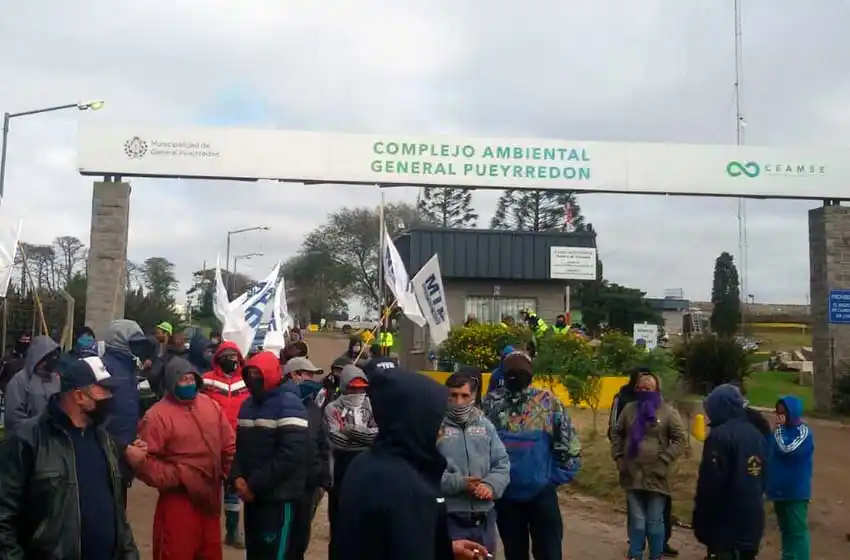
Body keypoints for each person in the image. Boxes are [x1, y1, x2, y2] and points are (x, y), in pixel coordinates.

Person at [332, 363, 488, 560]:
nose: (442, 429)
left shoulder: (366, 463)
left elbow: (384, 542)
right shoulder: (407, 487)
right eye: (436, 419)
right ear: (416, 420)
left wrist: (444, 549)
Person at [0, 355, 139, 559]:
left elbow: (117, 512)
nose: (110, 397)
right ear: (79, 396)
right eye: (104, 390)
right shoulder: (27, 440)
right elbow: (4, 516)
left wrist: (129, 553)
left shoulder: (104, 439)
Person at [129, 357, 235, 560]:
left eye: (191, 379)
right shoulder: (157, 416)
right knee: (175, 552)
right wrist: (179, 476)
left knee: (211, 553)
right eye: (183, 380)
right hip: (178, 500)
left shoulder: (210, 405)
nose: (188, 383)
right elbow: (144, 461)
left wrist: (232, 474)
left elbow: (228, 444)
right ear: (171, 383)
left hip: (210, 499)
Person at [482, 350, 581, 560]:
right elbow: (480, 447)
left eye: (521, 371)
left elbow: (569, 446)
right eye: (511, 371)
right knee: (514, 554)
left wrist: (550, 480)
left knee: (549, 553)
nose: (516, 376)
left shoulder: (548, 403)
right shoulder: (490, 404)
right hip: (506, 497)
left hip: (541, 496)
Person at [229, 351, 311, 559]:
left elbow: (291, 454)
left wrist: (253, 484)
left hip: (278, 499)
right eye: (250, 374)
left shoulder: (289, 404)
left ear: (271, 374)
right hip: (252, 499)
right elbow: (240, 447)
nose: (253, 379)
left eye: (258, 374)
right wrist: (236, 477)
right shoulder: (247, 406)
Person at [610, 371, 687, 560]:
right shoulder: (629, 409)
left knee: (654, 521)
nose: (644, 392)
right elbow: (617, 433)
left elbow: (680, 439)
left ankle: (656, 554)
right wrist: (618, 457)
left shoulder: (668, 412)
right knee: (637, 521)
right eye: (640, 388)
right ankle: (635, 554)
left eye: (648, 389)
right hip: (631, 472)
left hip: (657, 475)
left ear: (656, 390)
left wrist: (665, 458)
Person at [438, 372, 510, 555]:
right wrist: (460, 483)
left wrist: (490, 485)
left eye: (464, 395)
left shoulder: (486, 426)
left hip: (485, 520)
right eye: (453, 395)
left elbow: (502, 463)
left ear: (473, 396)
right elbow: (425, 472)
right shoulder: (435, 428)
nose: (459, 402)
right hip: (450, 518)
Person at [693, 384, 767, 560]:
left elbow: (711, 483)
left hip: (725, 523)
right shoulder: (756, 434)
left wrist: (701, 519)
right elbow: (763, 474)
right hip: (752, 519)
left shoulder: (719, 436)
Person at [100, 319, 157, 505]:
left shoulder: (130, 371)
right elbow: (95, 422)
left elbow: (128, 413)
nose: (138, 348)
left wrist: (135, 438)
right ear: (119, 341)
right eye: (134, 342)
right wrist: (124, 448)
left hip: (123, 460)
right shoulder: (103, 371)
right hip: (103, 460)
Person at [324, 364, 378, 557]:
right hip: (340, 470)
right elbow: (336, 439)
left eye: (361, 389)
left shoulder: (370, 406)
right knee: (339, 524)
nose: (357, 393)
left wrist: (348, 430)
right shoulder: (332, 408)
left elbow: (377, 436)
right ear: (344, 388)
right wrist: (364, 437)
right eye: (353, 389)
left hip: (366, 469)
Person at [201, 341, 249, 548]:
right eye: (227, 357)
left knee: (233, 488)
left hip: (237, 441)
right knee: (208, 487)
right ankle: (205, 530)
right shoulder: (206, 380)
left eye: (234, 356)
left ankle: (232, 531)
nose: (231, 360)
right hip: (211, 441)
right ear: (218, 358)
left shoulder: (246, 381)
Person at [283, 356, 332, 560]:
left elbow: (322, 443)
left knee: (301, 536)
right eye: (307, 375)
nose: (311, 380)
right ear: (293, 375)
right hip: (283, 485)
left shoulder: (313, 408)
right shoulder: (278, 403)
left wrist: (322, 477)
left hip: (308, 485)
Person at [766, 395, 814, 560]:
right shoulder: (778, 433)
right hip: (779, 491)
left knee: (797, 532)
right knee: (785, 530)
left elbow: (787, 449)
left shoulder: (804, 432)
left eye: (783, 413)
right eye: (778, 413)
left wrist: (778, 430)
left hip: (795, 492)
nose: (780, 417)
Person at [3, 335, 61, 433]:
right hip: (26, 438)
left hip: (51, 438)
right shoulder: (19, 381)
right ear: (39, 357)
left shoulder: (56, 380)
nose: (53, 360)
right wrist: (40, 425)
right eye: (49, 357)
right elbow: (14, 419)